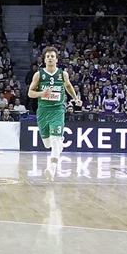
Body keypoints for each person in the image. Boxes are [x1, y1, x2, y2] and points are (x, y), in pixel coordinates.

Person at [27, 46, 82, 181]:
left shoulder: (63, 74)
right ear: (44, 59)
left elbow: (68, 86)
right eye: (48, 56)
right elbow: (30, 93)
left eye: (53, 56)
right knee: (47, 144)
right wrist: (41, 93)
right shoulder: (39, 74)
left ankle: (52, 168)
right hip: (43, 111)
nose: (50, 58)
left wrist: (75, 98)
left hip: (57, 110)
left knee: (55, 140)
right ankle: (58, 144)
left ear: (57, 59)